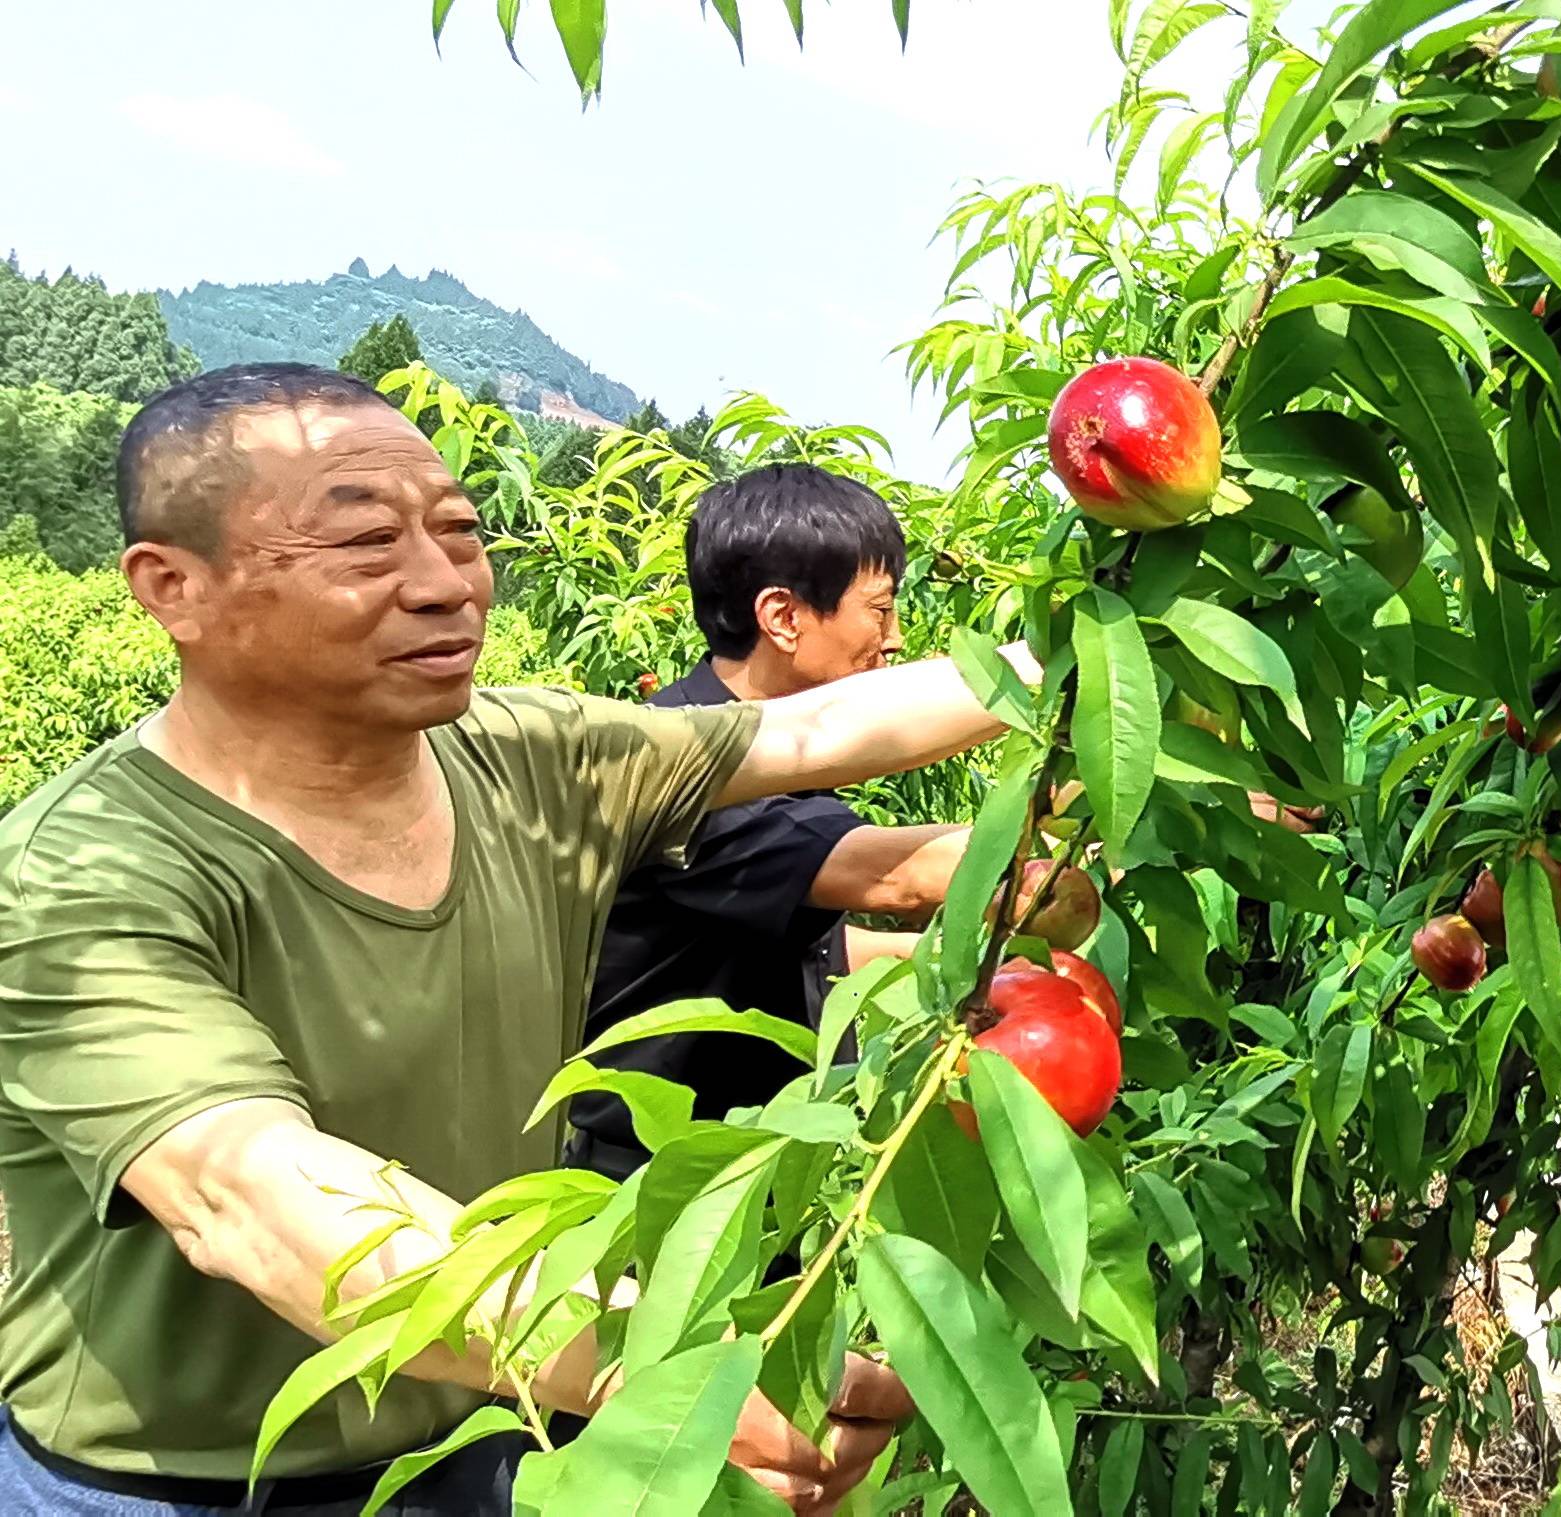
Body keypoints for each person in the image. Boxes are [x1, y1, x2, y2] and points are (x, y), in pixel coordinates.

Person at [0, 365, 1041, 1514]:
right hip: (174, 1485)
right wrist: (657, 1348)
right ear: (175, 587)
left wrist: (1084, 655)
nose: (446, 584)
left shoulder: (522, 757)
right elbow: (250, 1198)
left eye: (460, 532)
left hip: (483, 1423)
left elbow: (811, 729)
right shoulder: (82, 869)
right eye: (366, 544)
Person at [569, 464, 971, 1181]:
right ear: (784, 617)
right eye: (880, 610)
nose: (895, 637)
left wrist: (948, 961)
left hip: (765, 1168)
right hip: (659, 1190)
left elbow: (799, 951)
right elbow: (903, 879)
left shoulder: (766, 760)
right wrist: (1085, 816)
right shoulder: (681, 772)